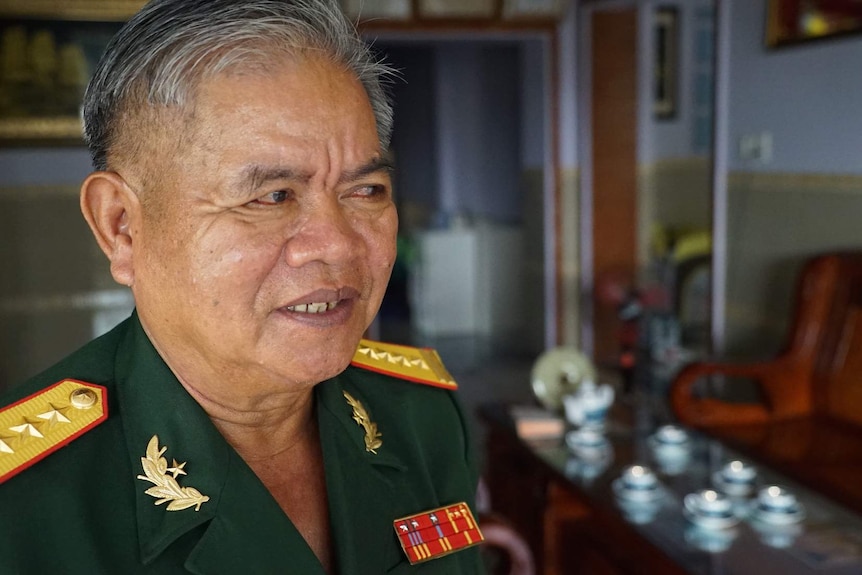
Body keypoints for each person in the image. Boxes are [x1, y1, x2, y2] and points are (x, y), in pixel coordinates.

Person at [0, 1, 484, 573]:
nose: (339, 245)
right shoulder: (26, 502)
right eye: (272, 196)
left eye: (366, 190)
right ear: (121, 227)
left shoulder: (421, 417)